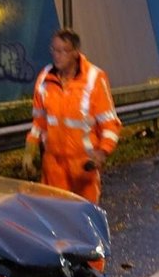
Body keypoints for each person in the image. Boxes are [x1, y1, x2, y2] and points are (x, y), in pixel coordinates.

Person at [22, 27, 121, 206]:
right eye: (54, 50)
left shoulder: (94, 78)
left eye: (63, 51)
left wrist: (102, 152)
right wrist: (30, 152)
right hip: (52, 167)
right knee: (54, 221)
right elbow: (39, 122)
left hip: (83, 167)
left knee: (83, 222)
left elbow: (110, 124)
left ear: (75, 53)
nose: (57, 55)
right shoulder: (44, 78)